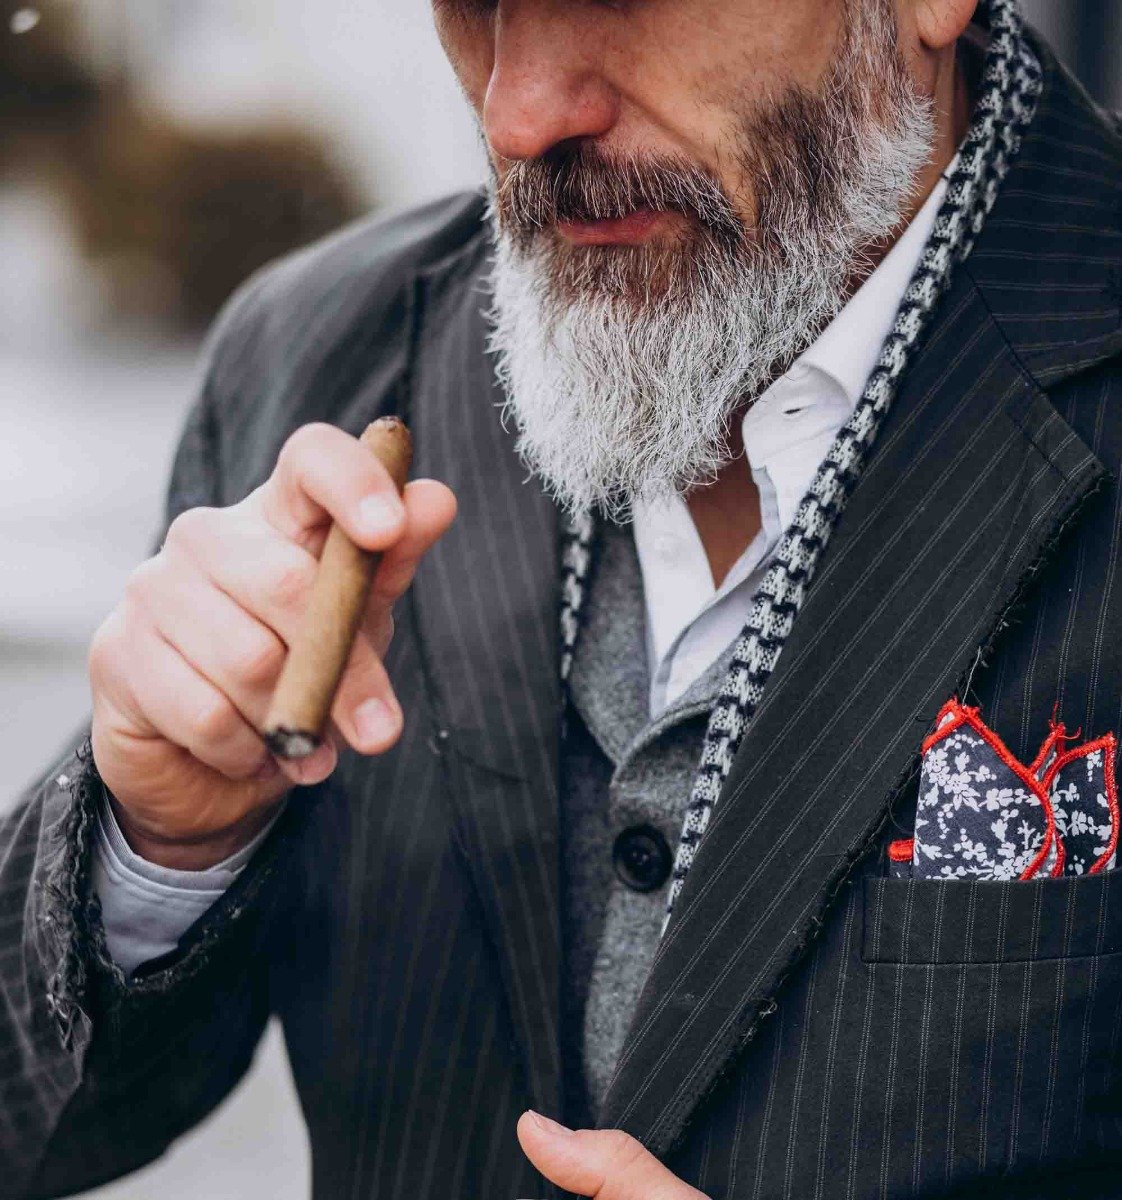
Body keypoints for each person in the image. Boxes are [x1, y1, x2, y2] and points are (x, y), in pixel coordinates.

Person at [3, 0, 1121, 1196]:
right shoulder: (319, 356)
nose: (521, 114)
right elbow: (42, 1130)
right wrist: (159, 845)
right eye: (472, 9)